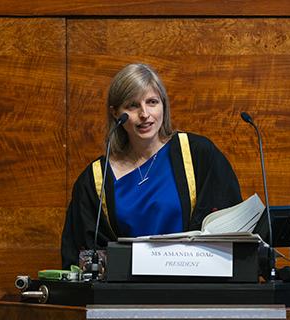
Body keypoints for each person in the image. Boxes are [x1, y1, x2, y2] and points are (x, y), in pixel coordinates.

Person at [61, 63, 242, 269]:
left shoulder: (197, 154)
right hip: (127, 293)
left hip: (193, 286)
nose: (144, 114)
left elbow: (230, 227)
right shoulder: (95, 179)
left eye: (152, 102)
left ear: (163, 105)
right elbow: (81, 253)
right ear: (115, 113)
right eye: (132, 106)